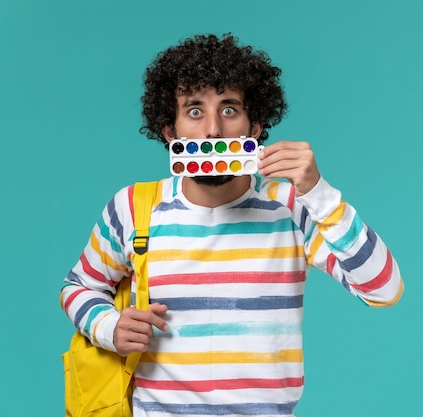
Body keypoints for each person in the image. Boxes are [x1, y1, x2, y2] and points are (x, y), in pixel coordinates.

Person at [60, 33, 404, 417]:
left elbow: (384, 289)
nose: (212, 131)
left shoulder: (290, 205)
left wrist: (319, 192)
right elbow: (79, 286)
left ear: (254, 128)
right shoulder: (132, 208)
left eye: (228, 110)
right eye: (194, 111)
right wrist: (108, 328)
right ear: (170, 132)